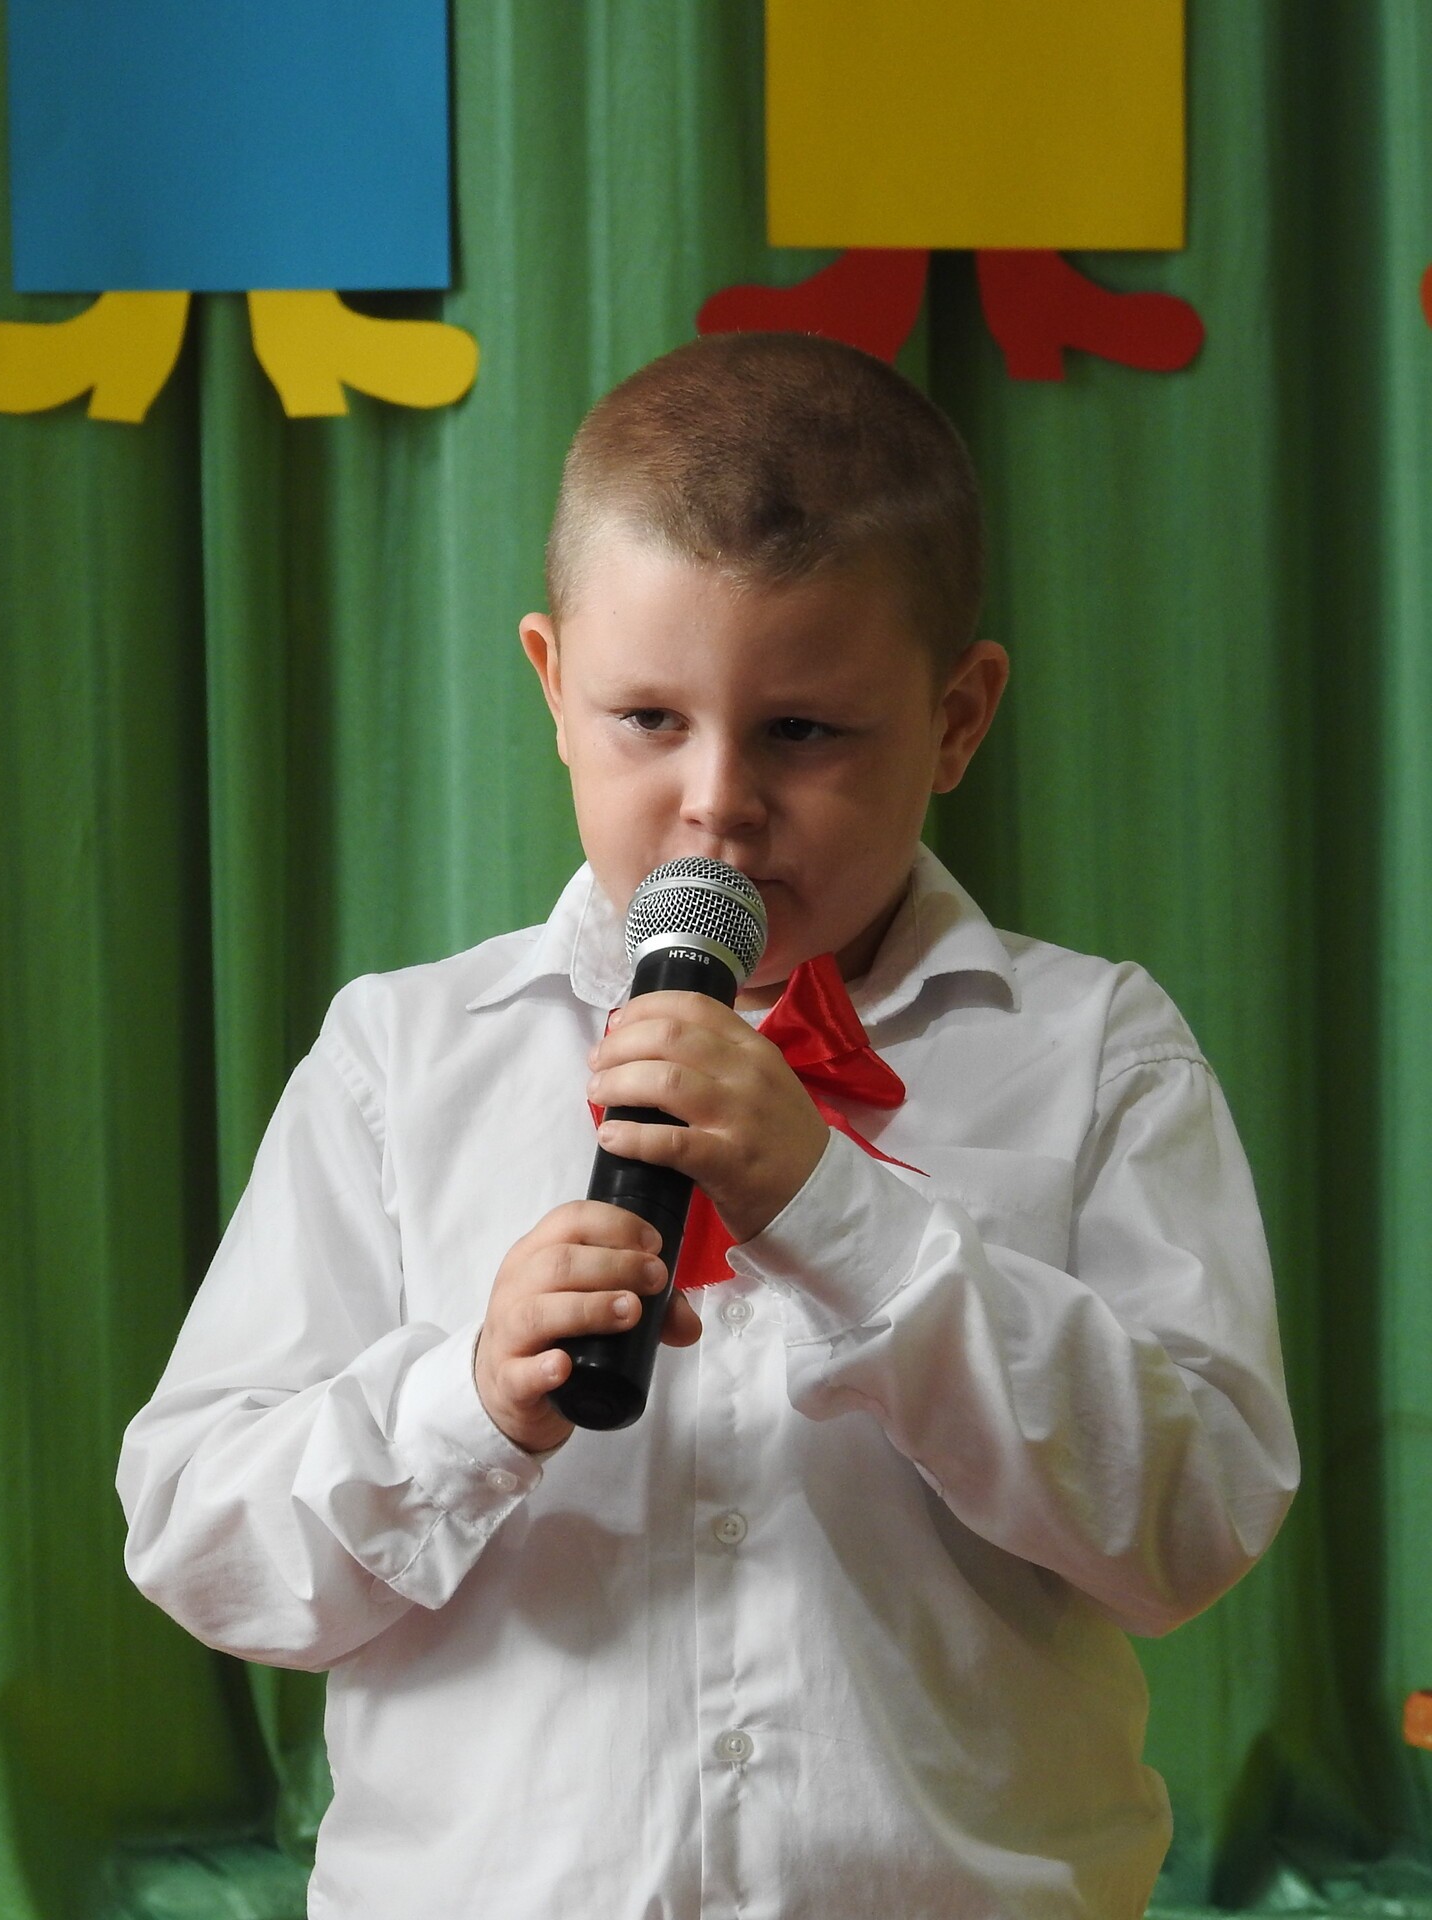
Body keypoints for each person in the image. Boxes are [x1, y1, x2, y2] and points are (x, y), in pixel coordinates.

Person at [117, 332, 1299, 1918]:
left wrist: (843, 1213)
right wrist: (467, 1401)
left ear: (957, 717)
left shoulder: (1097, 1053)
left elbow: (1196, 1522)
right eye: (648, 718)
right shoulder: (403, 1057)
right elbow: (200, 1540)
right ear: (553, 687)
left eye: (804, 730)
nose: (718, 800)